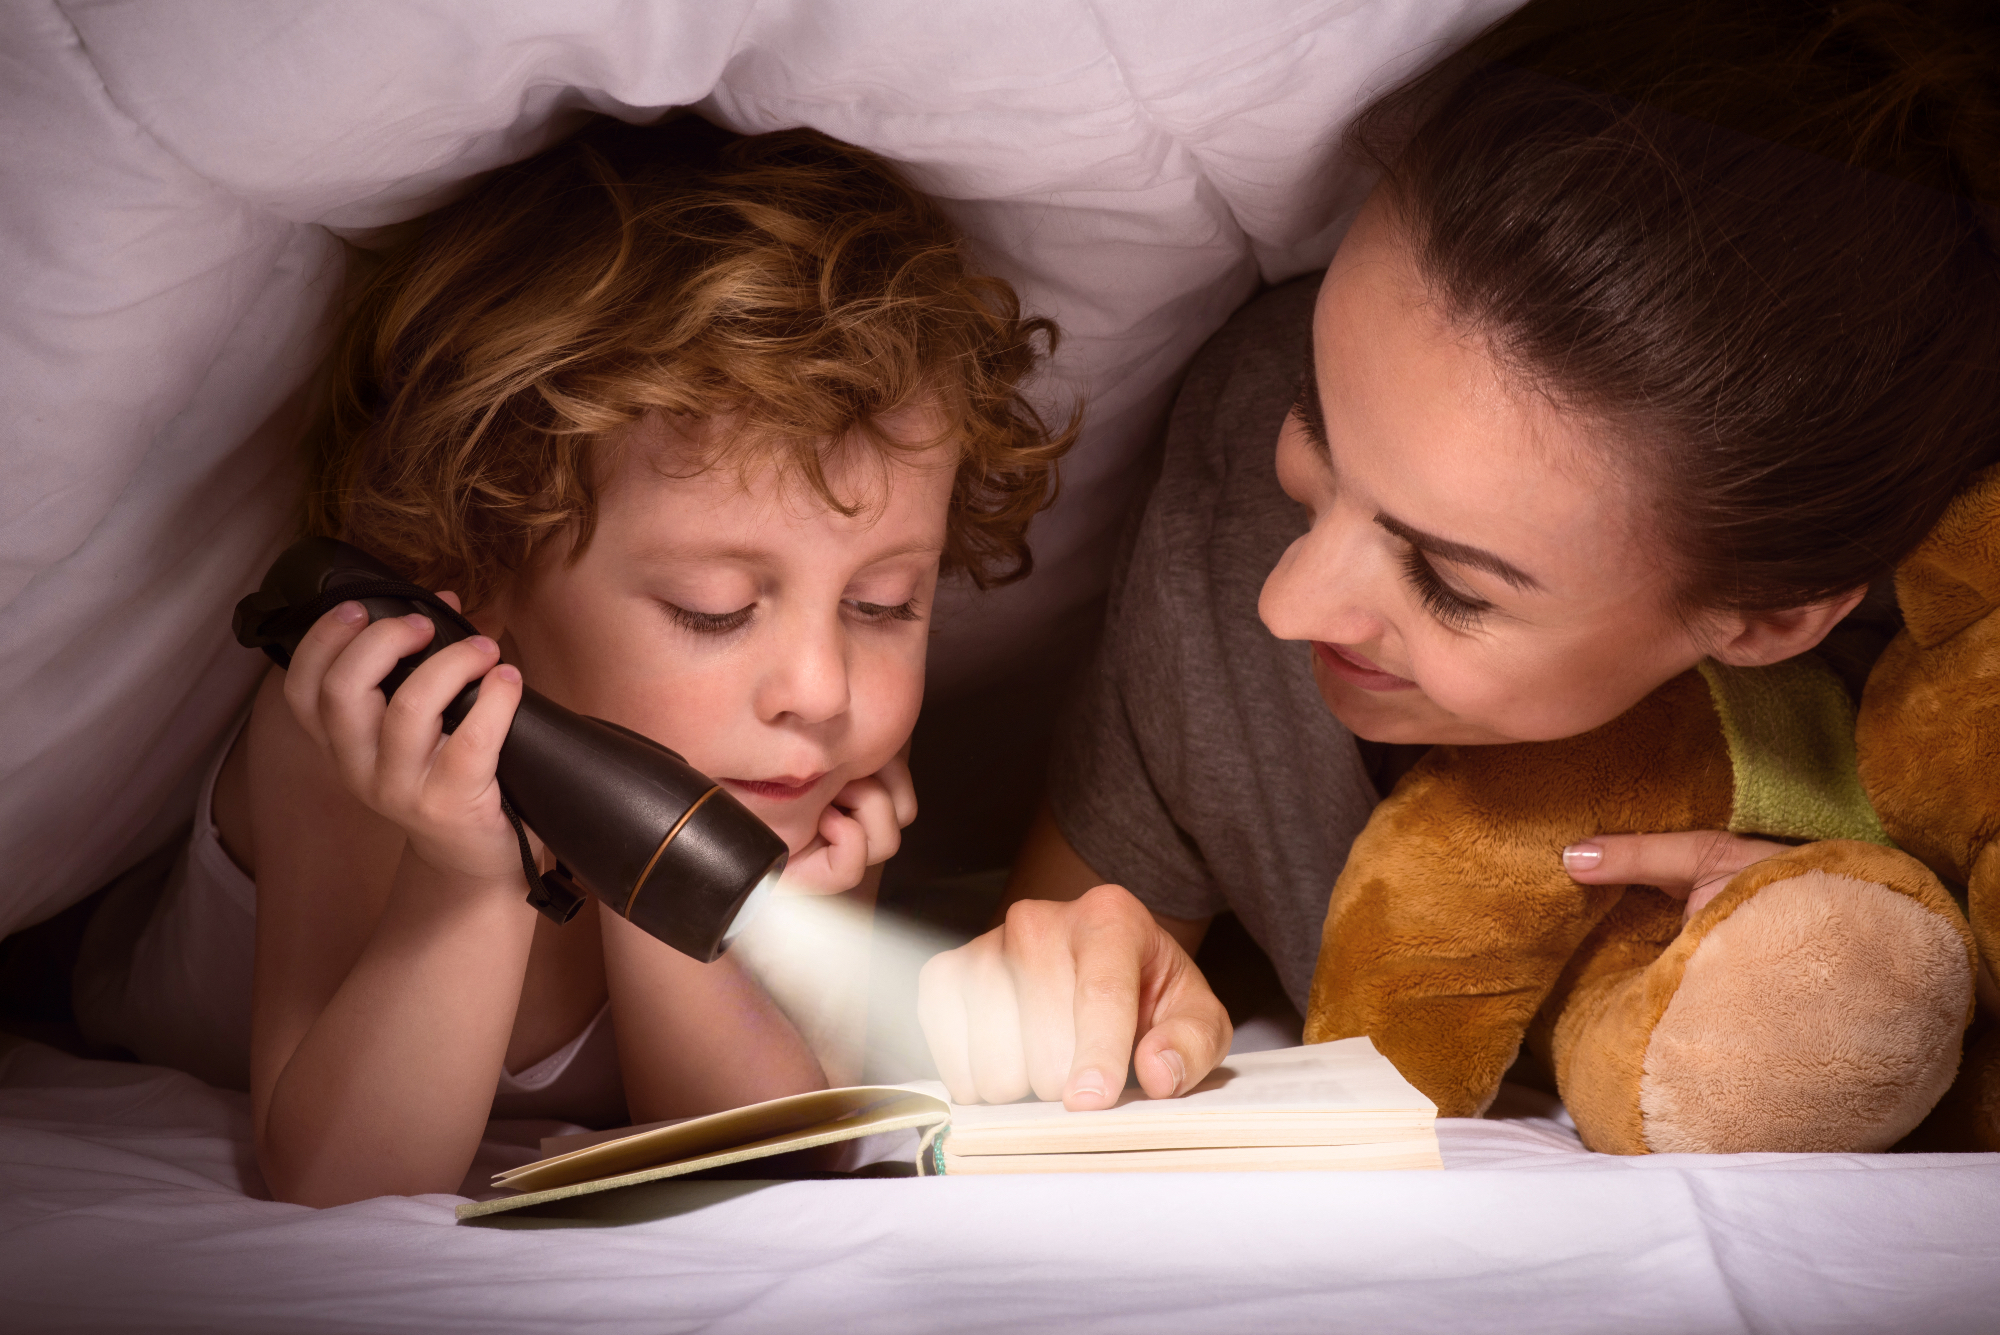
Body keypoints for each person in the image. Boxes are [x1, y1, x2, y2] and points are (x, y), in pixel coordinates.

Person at [919, 0, 2000, 1111]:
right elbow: (1061, 1001)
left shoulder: (1957, 673)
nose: (1285, 605)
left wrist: (1873, 994)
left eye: (1449, 582)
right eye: (1319, 433)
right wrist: (1056, 988)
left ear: (1772, 619)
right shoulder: (1237, 461)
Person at [77, 116, 1073, 1206]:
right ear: (477, 570)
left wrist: (686, 899)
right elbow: (343, 1179)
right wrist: (464, 883)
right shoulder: (358, 732)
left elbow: (768, 1161)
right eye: (714, 609)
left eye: (883, 605)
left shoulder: (802, 785)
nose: (822, 692)